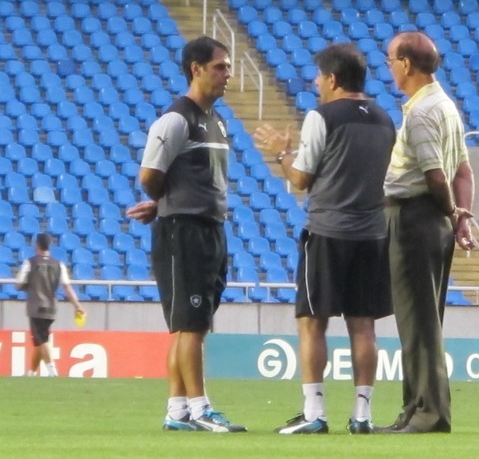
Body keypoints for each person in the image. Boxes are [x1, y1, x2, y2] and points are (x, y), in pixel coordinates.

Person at [253, 43, 396, 435]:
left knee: (311, 321)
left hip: (329, 232)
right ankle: (363, 415)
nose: (316, 84)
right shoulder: (385, 119)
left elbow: (301, 179)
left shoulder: (322, 117)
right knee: (363, 325)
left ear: (332, 79)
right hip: (372, 234)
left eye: (319, 77)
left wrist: (282, 153)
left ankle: (314, 412)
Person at [125, 36, 246, 433]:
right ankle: (200, 408)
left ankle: (177, 410)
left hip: (210, 228)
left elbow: (194, 180)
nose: (227, 74)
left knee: (189, 323)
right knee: (191, 324)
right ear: (196, 69)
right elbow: (149, 176)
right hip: (184, 232)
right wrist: (166, 205)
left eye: (227, 67)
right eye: (220, 67)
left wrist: (164, 203)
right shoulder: (175, 120)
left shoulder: (218, 121)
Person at [378, 31, 475, 434]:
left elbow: (437, 176)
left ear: (406, 64)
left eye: (390, 60)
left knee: (417, 324)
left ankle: (428, 414)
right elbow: (463, 171)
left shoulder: (420, 113)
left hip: (415, 217)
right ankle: (415, 407)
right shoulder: (446, 106)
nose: (389, 67)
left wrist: (451, 211)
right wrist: (461, 218)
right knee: (423, 321)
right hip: (434, 219)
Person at [15, 233, 84, 377]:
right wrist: (77, 305)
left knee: (42, 339)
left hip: (36, 307)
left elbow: (18, 284)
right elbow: (67, 287)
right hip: (52, 308)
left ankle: (52, 371)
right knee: (39, 340)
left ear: (37, 245)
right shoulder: (59, 264)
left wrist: (27, 284)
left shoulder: (30, 263)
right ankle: (31, 373)